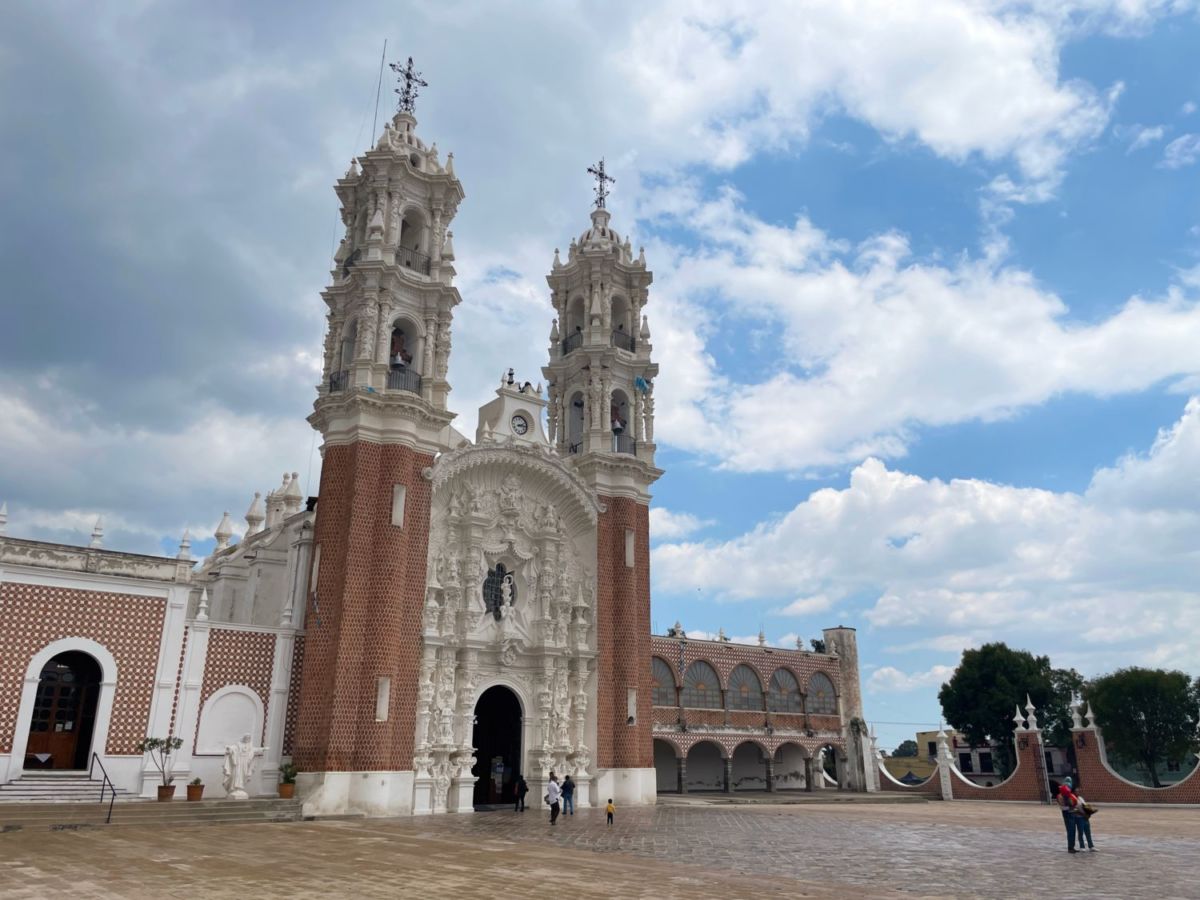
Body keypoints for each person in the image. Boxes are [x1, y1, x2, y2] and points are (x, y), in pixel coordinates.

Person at [1057, 778, 1080, 853]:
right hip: (1069, 813)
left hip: (1068, 812)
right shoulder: (1064, 796)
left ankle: (1071, 847)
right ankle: (1070, 847)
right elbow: (1068, 805)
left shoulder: (1061, 796)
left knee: (1071, 830)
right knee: (1071, 830)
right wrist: (1071, 805)